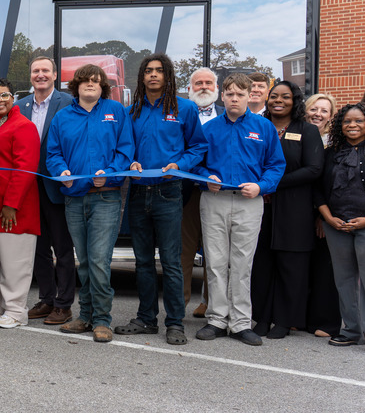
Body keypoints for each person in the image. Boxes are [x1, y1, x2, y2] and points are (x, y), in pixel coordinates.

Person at [117, 54, 207, 346]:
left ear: (168, 76)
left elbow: (198, 146)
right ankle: (146, 319)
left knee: (170, 262)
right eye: (148, 71)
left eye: (159, 71)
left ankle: (175, 323)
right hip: (138, 192)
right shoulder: (131, 111)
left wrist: (180, 165)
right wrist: (129, 162)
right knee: (142, 262)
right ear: (142, 77)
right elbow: (124, 148)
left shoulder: (186, 109)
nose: (153, 75)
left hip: (169, 193)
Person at [193, 73, 285, 345]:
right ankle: (217, 319)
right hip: (215, 200)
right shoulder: (209, 129)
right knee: (216, 261)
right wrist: (205, 177)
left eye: (240, 94)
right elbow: (196, 163)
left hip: (249, 201)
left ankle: (241, 322)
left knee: (243, 264)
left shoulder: (264, 128)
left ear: (250, 97)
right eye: (230, 93)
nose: (235, 98)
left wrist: (261, 186)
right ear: (222, 96)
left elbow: (276, 165)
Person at [47, 64, 134, 343]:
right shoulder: (62, 117)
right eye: (85, 80)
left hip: (106, 198)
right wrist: (61, 172)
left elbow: (125, 149)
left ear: (103, 87)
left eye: (97, 81)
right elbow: (53, 153)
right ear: (76, 85)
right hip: (74, 199)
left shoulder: (116, 112)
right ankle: (84, 316)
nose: (91, 84)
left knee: (99, 261)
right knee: (83, 261)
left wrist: (109, 174)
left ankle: (102, 320)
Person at [250, 81, 324, 338]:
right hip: (260, 207)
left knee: (291, 266)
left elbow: (314, 169)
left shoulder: (307, 130)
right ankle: (261, 317)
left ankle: (284, 320)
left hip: (294, 209)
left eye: (286, 97)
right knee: (262, 264)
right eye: (274, 96)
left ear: (295, 101)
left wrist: (272, 183)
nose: (278, 101)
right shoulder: (257, 126)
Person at [18, 56, 75, 326]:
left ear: (55, 75)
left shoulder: (68, 103)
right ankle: (46, 299)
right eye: (35, 71)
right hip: (28, 188)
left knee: (63, 248)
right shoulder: (20, 107)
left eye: (45, 71)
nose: (40, 75)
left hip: (57, 187)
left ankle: (64, 305)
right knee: (38, 248)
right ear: (31, 76)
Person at [317, 102, 365, 357]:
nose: (352, 125)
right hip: (336, 225)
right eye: (347, 121)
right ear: (340, 125)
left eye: (359, 121)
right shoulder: (330, 152)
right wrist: (328, 218)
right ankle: (352, 332)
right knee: (344, 280)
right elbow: (317, 189)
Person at [0, 78, 39, 329]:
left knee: (15, 263)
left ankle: (15, 310)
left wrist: (11, 204)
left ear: (13, 97)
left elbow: (25, 168)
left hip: (13, 209)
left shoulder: (23, 126)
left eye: (4, 95)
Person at [181, 67, 223, 318]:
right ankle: (180, 305)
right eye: (198, 83)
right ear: (190, 88)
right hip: (187, 192)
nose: (204, 87)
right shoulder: (179, 112)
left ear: (217, 89)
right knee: (183, 252)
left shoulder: (227, 115)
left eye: (209, 83)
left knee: (215, 253)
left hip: (217, 192)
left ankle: (210, 303)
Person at [304, 93, 341, 337]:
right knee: (299, 265)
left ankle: (323, 320)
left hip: (323, 211)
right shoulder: (295, 134)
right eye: (313, 108)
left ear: (331, 116)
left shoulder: (334, 144)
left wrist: (321, 214)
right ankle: (297, 316)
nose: (318, 113)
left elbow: (330, 182)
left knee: (324, 267)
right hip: (295, 208)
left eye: (324, 110)